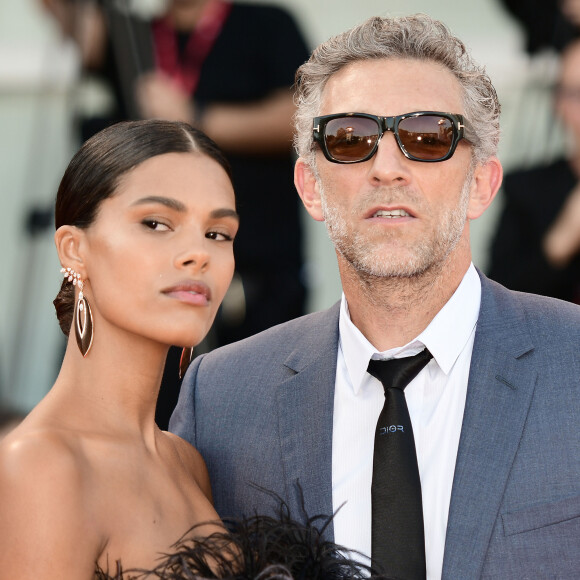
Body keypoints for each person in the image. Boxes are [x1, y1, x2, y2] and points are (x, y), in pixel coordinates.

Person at [170, 13, 580, 580]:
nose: (387, 167)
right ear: (310, 186)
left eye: (429, 137)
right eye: (350, 139)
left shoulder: (574, 360)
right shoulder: (221, 399)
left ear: (482, 184)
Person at [39, 0, 311, 428]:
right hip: (153, 288)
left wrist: (195, 117)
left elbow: (301, 117)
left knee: (248, 430)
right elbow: (76, 26)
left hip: (256, 283)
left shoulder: (266, 24)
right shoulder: (132, 34)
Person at [0, 119, 240, 578]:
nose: (198, 253)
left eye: (217, 233)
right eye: (156, 223)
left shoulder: (186, 462)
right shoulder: (39, 466)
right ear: (74, 250)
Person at [488, 38, 580, 302]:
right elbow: (499, 299)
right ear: (558, 104)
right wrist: (562, 239)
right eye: (577, 94)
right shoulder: (525, 188)